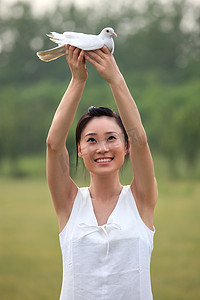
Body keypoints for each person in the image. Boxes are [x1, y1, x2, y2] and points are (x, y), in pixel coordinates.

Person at [46, 44, 158, 300]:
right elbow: (53, 145)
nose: (103, 148)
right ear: (80, 150)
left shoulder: (141, 199)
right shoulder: (69, 203)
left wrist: (115, 78)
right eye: (92, 140)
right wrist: (77, 80)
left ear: (126, 146)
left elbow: (140, 138)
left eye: (111, 138)